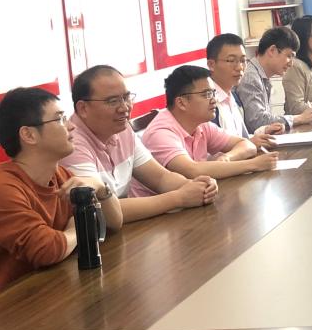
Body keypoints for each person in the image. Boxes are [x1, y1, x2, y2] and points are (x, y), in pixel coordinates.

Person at [0, 87, 124, 308]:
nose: (71, 126)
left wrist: (100, 188)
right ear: (29, 135)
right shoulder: (0, 189)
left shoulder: (60, 175)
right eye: (60, 119)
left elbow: (114, 223)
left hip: (44, 295)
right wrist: (79, 227)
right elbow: (47, 250)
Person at [60, 65, 218, 222]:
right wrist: (179, 198)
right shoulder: (70, 144)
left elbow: (161, 178)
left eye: (126, 97)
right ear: (83, 108)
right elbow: (100, 210)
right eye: (113, 101)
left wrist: (197, 186)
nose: (124, 108)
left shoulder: (121, 129)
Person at [138, 65, 278, 183]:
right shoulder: (161, 132)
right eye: (206, 94)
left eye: (213, 93)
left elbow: (247, 145)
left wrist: (227, 158)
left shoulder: (200, 123)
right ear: (181, 102)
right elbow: (192, 171)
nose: (214, 100)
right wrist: (253, 164)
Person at [206, 33, 286, 147]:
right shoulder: (208, 102)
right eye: (231, 60)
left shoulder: (233, 96)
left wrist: (264, 131)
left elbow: (240, 137)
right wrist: (249, 143)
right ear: (211, 64)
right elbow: (213, 150)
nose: (239, 67)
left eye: (243, 61)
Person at [237, 26, 312, 132]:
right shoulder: (251, 78)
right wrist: (298, 118)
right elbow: (257, 121)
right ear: (272, 50)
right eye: (289, 56)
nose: (291, 63)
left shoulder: (261, 76)